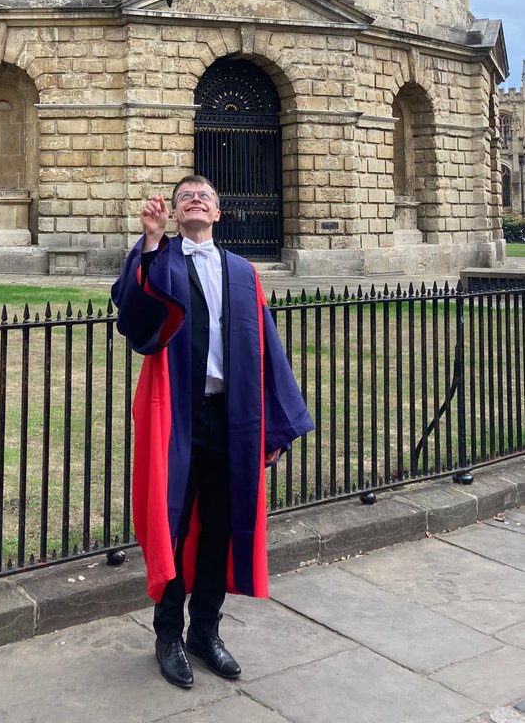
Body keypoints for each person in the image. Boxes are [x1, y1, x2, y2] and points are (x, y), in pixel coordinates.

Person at [112, 175, 313, 689]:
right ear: (175, 214)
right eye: (185, 198)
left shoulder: (244, 273)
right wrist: (152, 243)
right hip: (177, 413)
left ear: (218, 213)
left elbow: (266, 347)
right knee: (174, 525)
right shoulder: (162, 260)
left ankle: (205, 629)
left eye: (204, 196)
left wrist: (275, 425)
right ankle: (167, 636)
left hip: (234, 415)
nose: (195, 201)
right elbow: (133, 315)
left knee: (221, 526)